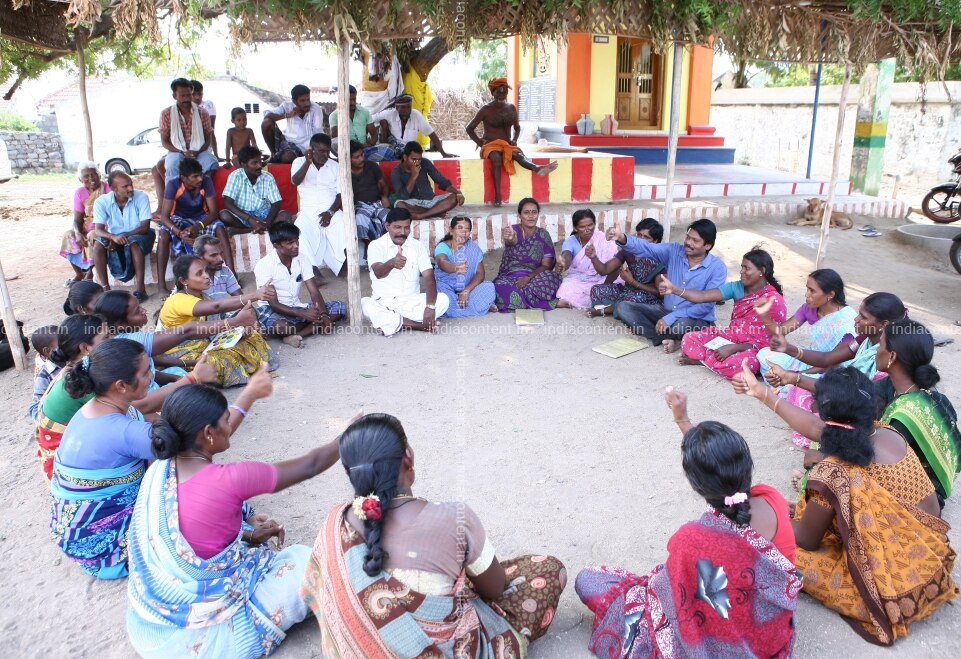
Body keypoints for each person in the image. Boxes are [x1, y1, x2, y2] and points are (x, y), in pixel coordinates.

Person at [302, 413, 567, 655]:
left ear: (350, 473)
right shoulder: (455, 518)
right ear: (408, 456)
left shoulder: (335, 523)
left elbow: (319, 593)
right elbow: (496, 587)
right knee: (548, 570)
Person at [733, 364, 958, 645]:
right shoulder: (889, 432)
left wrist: (771, 515)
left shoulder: (834, 473)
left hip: (893, 584)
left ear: (825, 414)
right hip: (932, 557)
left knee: (771, 543)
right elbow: (819, 429)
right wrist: (762, 393)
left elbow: (806, 539)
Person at [126, 375, 345, 658]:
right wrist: (348, 434)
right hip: (205, 640)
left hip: (153, 627)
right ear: (208, 433)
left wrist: (249, 535)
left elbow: (196, 529)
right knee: (307, 561)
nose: (231, 426)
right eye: (226, 421)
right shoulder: (228, 480)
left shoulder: (161, 468)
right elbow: (311, 465)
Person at [576, 388, 801, 658]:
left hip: (716, 640)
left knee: (588, 580)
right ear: (747, 466)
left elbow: (671, 591)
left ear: (697, 486)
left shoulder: (692, 538)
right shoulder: (772, 499)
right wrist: (682, 419)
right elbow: (715, 465)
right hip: (768, 635)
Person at [50, 339, 216, 578]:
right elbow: (194, 447)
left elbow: (151, 419)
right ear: (121, 385)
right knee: (194, 479)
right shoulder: (121, 430)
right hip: (104, 549)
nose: (151, 376)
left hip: (76, 536)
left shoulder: (97, 408)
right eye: (146, 372)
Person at [763, 292, 908, 448]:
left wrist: (794, 378)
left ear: (883, 325)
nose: (856, 319)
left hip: (863, 407)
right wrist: (788, 349)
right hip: (851, 393)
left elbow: (857, 395)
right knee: (802, 390)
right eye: (859, 314)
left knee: (818, 408)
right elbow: (828, 359)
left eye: (863, 317)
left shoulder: (887, 358)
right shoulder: (864, 339)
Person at [656, 248, 787, 379]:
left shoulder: (774, 300)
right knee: (689, 339)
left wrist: (734, 348)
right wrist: (674, 289)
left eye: (746, 268)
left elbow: (768, 343)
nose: (741, 272)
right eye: (742, 267)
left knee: (743, 364)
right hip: (731, 337)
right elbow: (703, 296)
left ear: (762, 271)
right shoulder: (737, 287)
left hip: (753, 349)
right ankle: (714, 362)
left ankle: (703, 360)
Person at [606, 218, 727, 352]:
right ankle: (668, 338)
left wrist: (671, 317)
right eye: (688, 237)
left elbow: (705, 306)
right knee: (624, 307)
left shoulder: (718, 268)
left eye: (695, 240)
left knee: (680, 326)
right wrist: (622, 238)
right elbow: (647, 247)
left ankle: (673, 336)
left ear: (707, 245)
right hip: (666, 312)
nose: (688, 242)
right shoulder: (674, 251)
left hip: (694, 318)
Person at [876, 318, 961, 509]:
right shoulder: (934, 398)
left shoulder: (905, 415)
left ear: (892, 356)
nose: (876, 350)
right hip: (933, 490)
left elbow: (877, 465)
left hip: (917, 503)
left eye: (880, 345)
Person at [159, 254, 278, 387]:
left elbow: (214, 328)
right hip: (182, 354)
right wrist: (255, 295)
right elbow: (217, 306)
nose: (206, 276)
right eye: (199, 273)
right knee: (218, 361)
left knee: (250, 337)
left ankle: (242, 371)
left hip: (206, 344)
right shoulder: (177, 300)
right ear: (184, 280)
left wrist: (237, 332)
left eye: (205, 270)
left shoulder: (203, 296)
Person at [95, 289, 222, 387]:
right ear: (121, 324)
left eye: (140, 306)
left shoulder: (125, 335)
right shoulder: (129, 341)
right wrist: (229, 323)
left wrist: (185, 369)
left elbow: (154, 365)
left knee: (179, 372)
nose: (144, 311)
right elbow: (187, 331)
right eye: (137, 311)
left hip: (153, 382)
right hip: (149, 393)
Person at [466, 77, 558, 206]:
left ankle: (537, 168)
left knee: (518, 155)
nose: (502, 94)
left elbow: (517, 128)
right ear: (493, 93)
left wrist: (514, 140)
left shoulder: (511, 108)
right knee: (496, 158)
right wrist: (481, 143)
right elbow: (469, 128)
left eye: (504, 91)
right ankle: (498, 196)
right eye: (498, 91)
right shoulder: (486, 109)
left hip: (507, 144)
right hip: (490, 145)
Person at [35, 315, 107, 478]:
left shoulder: (76, 370)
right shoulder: (83, 381)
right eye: (106, 338)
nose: (113, 340)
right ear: (85, 348)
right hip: (67, 466)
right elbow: (129, 412)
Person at [754, 268, 856, 381]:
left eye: (812, 291)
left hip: (833, 368)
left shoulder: (846, 321)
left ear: (831, 294)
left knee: (818, 383)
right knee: (764, 354)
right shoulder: (809, 309)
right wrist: (764, 314)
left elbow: (832, 362)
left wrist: (798, 375)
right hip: (811, 359)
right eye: (807, 289)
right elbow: (780, 331)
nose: (806, 294)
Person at [254, 222, 345, 348]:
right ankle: (311, 327)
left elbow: (314, 292)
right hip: (272, 310)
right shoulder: (264, 265)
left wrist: (324, 314)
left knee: (340, 307)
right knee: (282, 327)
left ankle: (296, 335)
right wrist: (303, 314)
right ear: (276, 245)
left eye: (297, 241)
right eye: (290, 243)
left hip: (295, 306)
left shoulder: (303, 259)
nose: (296, 246)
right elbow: (273, 304)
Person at [361, 208, 450, 336]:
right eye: (397, 227)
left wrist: (430, 307)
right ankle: (419, 325)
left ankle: (393, 322)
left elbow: (429, 276)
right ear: (387, 226)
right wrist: (392, 263)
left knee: (443, 299)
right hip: (385, 303)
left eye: (406, 228)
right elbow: (378, 273)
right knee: (364, 304)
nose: (402, 232)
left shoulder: (417, 246)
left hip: (411, 302)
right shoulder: (376, 246)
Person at [156, 157, 231, 296]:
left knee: (220, 227)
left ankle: (232, 274)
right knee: (163, 234)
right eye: (195, 176)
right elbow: (164, 217)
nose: (200, 179)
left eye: (200, 175)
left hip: (201, 218)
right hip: (179, 219)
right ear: (184, 178)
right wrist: (179, 233)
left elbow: (213, 212)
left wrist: (198, 226)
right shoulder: (173, 184)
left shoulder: (206, 181)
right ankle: (161, 286)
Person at [91, 171, 155, 301]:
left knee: (134, 243)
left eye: (131, 184)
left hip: (140, 234)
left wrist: (120, 237)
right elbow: (98, 230)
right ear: (113, 188)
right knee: (98, 245)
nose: (130, 188)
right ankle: (106, 289)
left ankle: (141, 290)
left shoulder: (141, 197)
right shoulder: (101, 202)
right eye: (125, 186)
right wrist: (112, 237)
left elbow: (145, 227)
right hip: (116, 236)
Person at [292, 133, 348, 276]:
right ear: (311, 149)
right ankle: (312, 271)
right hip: (307, 212)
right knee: (299, 230)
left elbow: (341, 194)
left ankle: (343, 267)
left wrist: (330, 213)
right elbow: (295, 181)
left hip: (331, 211)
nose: (325, 155)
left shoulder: (335, 166)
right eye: (321, 151)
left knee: (343, 224)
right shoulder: (298, 162)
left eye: (327, 151)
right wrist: (307, 162)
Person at [492, 197, 562, 311]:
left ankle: (518, 301)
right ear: (519, 215)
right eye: (526, 212)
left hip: (535, 277)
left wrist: (528, 277)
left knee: (553, 278)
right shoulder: (513, 230)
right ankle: (550, 303)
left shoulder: (543, 234)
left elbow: (547, 265)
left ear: (538, 214)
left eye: (534, 212)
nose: (530, 216)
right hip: (510, 277)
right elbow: (511, 240)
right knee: (499, 287)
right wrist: (511, 238)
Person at [587, 217, 665, 318]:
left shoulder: (660, 257)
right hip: (628, 291)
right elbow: (604, 270)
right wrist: (594, 258)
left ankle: (607, 309)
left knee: (633, 298)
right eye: (639, 235)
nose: (640, 239)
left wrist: (632, 282)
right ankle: (616, 307)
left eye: (646, 237)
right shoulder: (629, 250)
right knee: (597, 289)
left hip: (646, 296)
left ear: (655, 241)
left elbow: (660, 294)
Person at [554, 209, 621, 309]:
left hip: (603, 278)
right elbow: (567, 255)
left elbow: (617, 256)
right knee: (565, 289)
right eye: (582, 227)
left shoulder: (601, 238)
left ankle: (601, 293)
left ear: (594, 224)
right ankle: (599, 298)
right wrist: (563, 263)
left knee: (619, 280)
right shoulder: (570, 241)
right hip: (579, 279)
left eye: (590, 225)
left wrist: (613, 233)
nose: (587, 229)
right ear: (575, 228)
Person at [158, 78, 218, 183]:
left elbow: (208, 139)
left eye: (189, 95)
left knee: (211, 161)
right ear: (174, 96)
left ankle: (203, 190)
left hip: (198, 152)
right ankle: (175, 192)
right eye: (182, 96)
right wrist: (181, 152)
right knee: (172, 165)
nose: (186, 99)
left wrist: (197, 152)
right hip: (177, 152)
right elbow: (164, 141)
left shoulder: (202, 113)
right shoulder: (166, 114)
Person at [434, 216, 496, 317]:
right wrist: (456, 268)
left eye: (467, 229)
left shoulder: (474, 249)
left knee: (489, 286)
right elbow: (442, 262)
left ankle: (456, 310)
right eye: (460, 228)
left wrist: (466, 291)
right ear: (451, 230)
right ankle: (479, 307)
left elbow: (480, 273)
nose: (464, 232)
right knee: (440, 294)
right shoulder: (443, 247)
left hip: (467, 290)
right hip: (446, 288)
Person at [219, 146, 290, 234]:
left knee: (285, 215)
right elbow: (228, 203)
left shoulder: (268, 177)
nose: (259, 166)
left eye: (260, 162)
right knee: (224, 215)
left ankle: (246, 230)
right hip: (243, 217)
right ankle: (259, 229)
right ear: (243, 164)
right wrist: (249, 219)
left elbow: (276, 202)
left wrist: (267, 222)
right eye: (254, 163)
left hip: (264, 216)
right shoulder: (235, 176)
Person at [368, 94, 457, 161]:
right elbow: (369, 119)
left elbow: (431, 133)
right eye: (403, 107)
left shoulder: (416, 115)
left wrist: (443, 153)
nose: (406, 110)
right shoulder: (389, 114)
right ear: (397, 107)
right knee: (383, 123)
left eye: (409, 107)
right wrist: (369, 139)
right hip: (391, 147)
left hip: (408, 150)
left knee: (414, 154)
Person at [392, 141, 465, 220]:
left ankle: (422, 215)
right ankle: (437, 212)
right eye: (414, 159)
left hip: (431, 201)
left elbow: (441, 181)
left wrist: (458, 193)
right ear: (405, 157)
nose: (417, 162)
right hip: (413, 203)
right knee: (399, 205)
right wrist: (413, 176)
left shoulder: (425, 162)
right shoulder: (396, 172)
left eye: (419, 159)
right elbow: (403, 196)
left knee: (453, 197)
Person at [60, 161, 107, 286]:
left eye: (93, 174)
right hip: (86, 227)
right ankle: (79, 273)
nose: (91, 178)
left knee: (92, 235)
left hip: (104, 228)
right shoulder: (80, 193)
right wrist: (77, 232)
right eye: (86, 176)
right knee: (69, 235)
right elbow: (77, 219)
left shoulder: (107, 189)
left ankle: (91, 273)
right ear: (80, 179)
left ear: (99, 175)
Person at [261, 84, 327, 162]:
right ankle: (273, 154)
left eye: (308, 99)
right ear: (294, 101)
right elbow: (267, 115)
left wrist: (316, 150)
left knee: (288, 157)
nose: (307, 103)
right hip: (288, 142)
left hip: (307, 145)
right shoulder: (287, 106)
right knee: (266, 123)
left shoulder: (315, 108)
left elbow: (318, 132)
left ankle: (278, 157)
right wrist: (287, 115)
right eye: (302, 101)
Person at [348, 139, 390, 250]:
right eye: (356, 157)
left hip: (377, 204)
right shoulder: (344, 172)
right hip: (359, 207)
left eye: (362, 155)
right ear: (348, 159)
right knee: (360, 218)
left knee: (389, 217)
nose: (361, 159)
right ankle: (371, 248)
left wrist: (384, 197)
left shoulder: (372, 166)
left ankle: (385, 247)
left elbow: (383, 184)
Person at [27, 325, 60, 420]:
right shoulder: (44, 376)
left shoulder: (74, 360)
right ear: (48, 351)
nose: (71, 345)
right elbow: (34, 408)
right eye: (64, 343)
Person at [190, 79, 218, 160]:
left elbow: (211, 131)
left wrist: (216, 155)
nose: (197, 97)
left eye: (199, 94)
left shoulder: (208, 105)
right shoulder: (184, 107)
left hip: (205, 146)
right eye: (194, 94)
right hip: (188, 147)